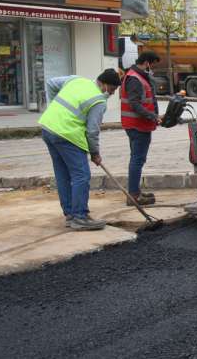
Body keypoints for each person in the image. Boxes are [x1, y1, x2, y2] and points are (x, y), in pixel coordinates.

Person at [38, 69, 122, 231]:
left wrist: (55, 107)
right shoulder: (98, 101)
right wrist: (95, 153)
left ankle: (70, 214)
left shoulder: (76, 80)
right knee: (81, 175)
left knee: (62, 174)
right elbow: (92, 131)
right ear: (104, 85)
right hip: (67, 135)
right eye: (112, 89)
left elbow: (50, 83)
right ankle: (80, 217)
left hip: (48, 128)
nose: (112, 93)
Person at [121, 50, 162, 206]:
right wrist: (153, 116)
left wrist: (155, 115)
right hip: (137, 126)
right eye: (152, 65)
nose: (152, 68)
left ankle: (135, 191)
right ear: (146, 63)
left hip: (140, 125)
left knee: (137, 159)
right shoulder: (135, 78)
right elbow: (135, 103)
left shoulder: (138, 76)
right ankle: (133, 195)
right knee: (137, 160)